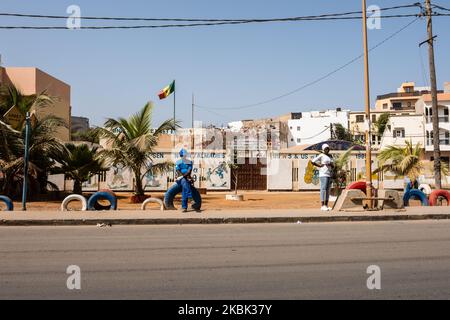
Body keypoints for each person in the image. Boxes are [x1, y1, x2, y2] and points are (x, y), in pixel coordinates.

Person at [312, 143, 334, 211]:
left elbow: (333, 165)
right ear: (323, 149)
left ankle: (326, 205)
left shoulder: (330, 156)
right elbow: (312, 161)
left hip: (329, 174)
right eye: (325, 149)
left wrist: (331, 164)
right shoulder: (321, 155)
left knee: (328, 190)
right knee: (323, 189)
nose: (327, 150)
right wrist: (319, 166)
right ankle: (322, 205)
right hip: (323, 174)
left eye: (328, 148)